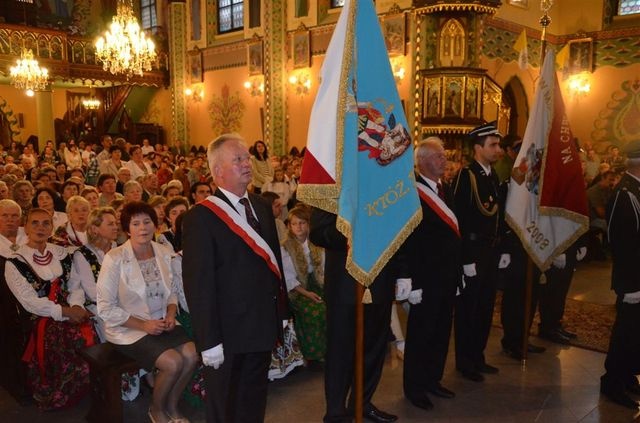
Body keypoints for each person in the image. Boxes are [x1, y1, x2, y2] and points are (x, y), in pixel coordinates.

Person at [182, 134, 287, 422]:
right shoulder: (200, 218)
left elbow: (273, 264)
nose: (246, 164)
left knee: (254, 399)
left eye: (247, 158)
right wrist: (209, 341)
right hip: (227, 333)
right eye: (238, 159)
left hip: (262, 325)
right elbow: (198, 286)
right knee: (225, 405)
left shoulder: (262, 206)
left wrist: (282, 314)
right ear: (218, 171)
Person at [97, 201, 198, 423]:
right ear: (127, 229)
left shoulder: (163, 251)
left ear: (155, 224)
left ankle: (172, 405)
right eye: (136, 223)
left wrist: (171, 313)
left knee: (191, 355)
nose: (142, 228)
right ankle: (156, 409)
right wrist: (143, 325)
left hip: (162, 321)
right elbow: (105, 307)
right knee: (172, 363)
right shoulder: (114, 258)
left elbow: (171, 291)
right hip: (128, 328)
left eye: (147, 221)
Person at [310, 207, 410, 423]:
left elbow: (399, 229)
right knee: (341, 352)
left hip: (381, 280)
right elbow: (319, 232)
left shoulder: (385, 182)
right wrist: (354, 230)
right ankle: (336, 413)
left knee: (374, 348)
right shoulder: (335, 183)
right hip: (345, 285)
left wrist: (403, 272)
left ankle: (362, 403)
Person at [4, 208, 96, 409]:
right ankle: (61, 391)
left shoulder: (61, 254)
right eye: (35, 223)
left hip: (70, 310)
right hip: (40, 319)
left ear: (52, 227)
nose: (41, 227)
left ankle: (91, 388)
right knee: (64, 338)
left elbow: (75, 284)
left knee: (94, 329)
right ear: (25, 227)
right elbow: (30, 302)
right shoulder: (15, 262)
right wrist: (64, 312)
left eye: (46, 223)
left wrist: (76, 306)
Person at [402, 137, 461, 411]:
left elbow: (452, 236)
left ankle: (433, 379)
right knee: (421, 334)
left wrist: (458, 272)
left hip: (447, 276)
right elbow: (407, 239)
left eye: (444, 155)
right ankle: (415, 388)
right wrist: (409, 280)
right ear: (423, 161)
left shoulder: (445, 189)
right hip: (424, 279)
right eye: (438, 156)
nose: (444, 159)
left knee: (440, 332)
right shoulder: (411, 193)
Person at [453, 121, 506, 382]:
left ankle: (479, 356)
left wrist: (502, 246)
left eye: (498, 144)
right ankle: (465, 362)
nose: (498, 149)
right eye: (493, 145)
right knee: (468, 310)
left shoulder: (491, 176)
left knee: (485, 307)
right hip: (474, 252)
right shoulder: (467, 177)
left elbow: (498, 214)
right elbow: (459, 221)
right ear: (478, 148)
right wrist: (465, 260)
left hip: (490, 250)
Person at [600, 140, 640, 409]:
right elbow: (619, 241)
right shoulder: (624, 193)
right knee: (625, 331)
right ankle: (612, 380)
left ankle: (626, 374)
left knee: (636, 331)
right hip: (632, 278)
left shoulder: (635, 189)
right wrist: (630, 285)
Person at [280, 205, 326, 365]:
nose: (298, 227)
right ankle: (314, 352)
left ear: (308, 224)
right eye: (294, 223)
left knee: (335, 306)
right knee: (317, 311)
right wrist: (307, 294)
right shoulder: (286, 247)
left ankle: (332, 348)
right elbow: (289, 279)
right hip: (298, 289)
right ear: (289, 226)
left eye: (302, 223)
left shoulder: (316, 242)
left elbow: (323, 269)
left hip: (317, 283)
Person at [68, 207, 119, 342]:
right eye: (110, 224)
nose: (115, 227)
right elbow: (92, 292)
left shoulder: (120, 249)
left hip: (125, 303)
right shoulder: (83, 255)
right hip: (101, 307)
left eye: (115, 223)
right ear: (95, 229)